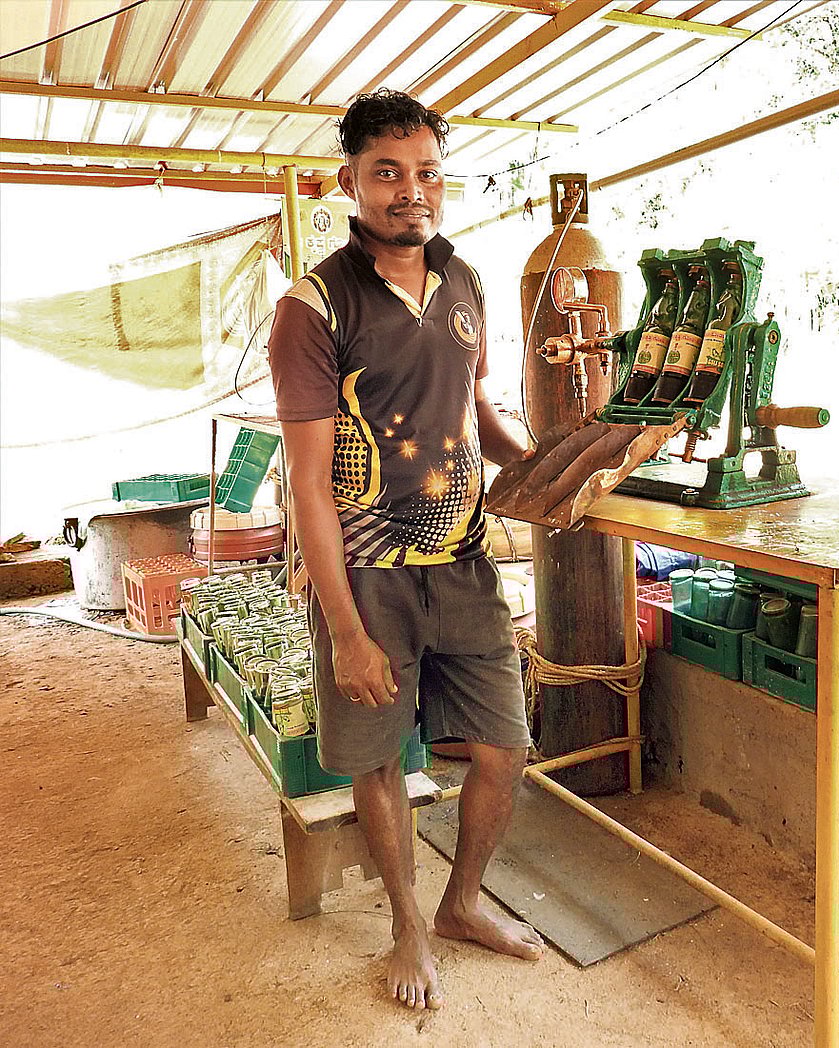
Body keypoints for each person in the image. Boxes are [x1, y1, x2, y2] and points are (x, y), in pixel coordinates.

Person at [267, 88, 542, 1011]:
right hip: (368, 579)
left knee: (504, 748)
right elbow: (308, 483)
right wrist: (344, 628)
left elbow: (478, 410)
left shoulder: (465, 281)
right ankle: (408, 923)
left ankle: (463, 901)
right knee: (381, 758)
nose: (409, 191)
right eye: (386, 172)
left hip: (464, 564)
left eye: (426, 172)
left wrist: (548, 464)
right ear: (347, 181)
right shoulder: (313, 307)